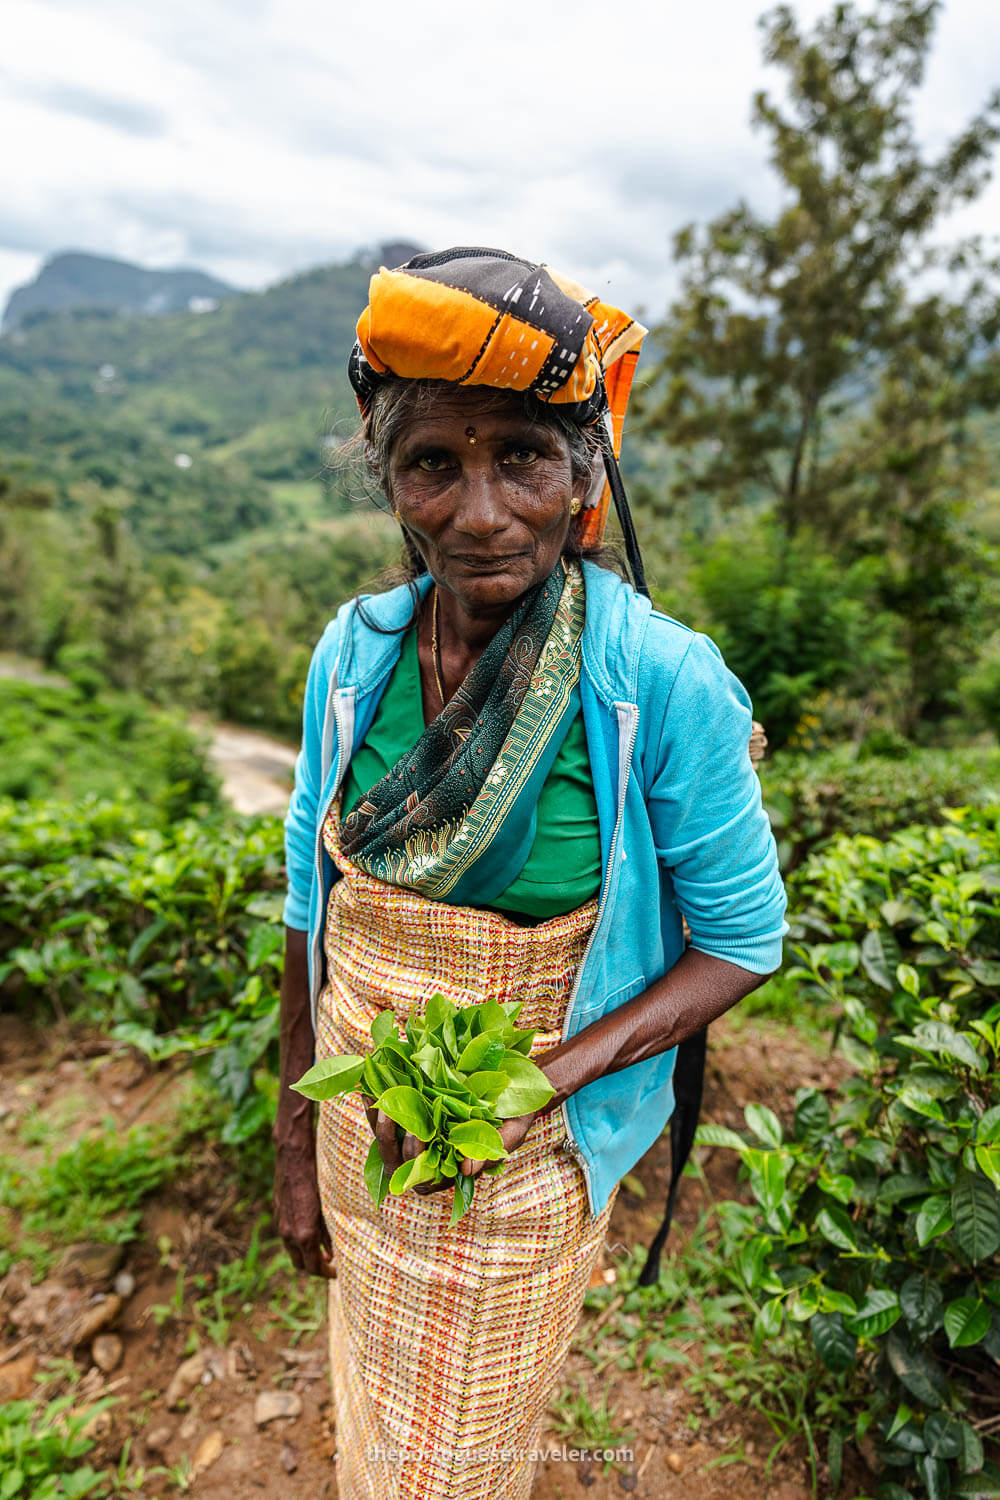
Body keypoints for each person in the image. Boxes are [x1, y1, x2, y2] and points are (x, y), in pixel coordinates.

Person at [274, 247, 788, 1499]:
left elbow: (740, 942)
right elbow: (307, 899)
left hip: (522, 1160)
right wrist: (295, 1137)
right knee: (372, 1421)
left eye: (523, 457)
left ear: (584, 476)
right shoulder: (353, 655)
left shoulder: (657, 681)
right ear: (389, 482)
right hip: (359, 1125)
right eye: (432, 463)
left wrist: (537, 1085)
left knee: (450, 1467)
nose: (480, 508)